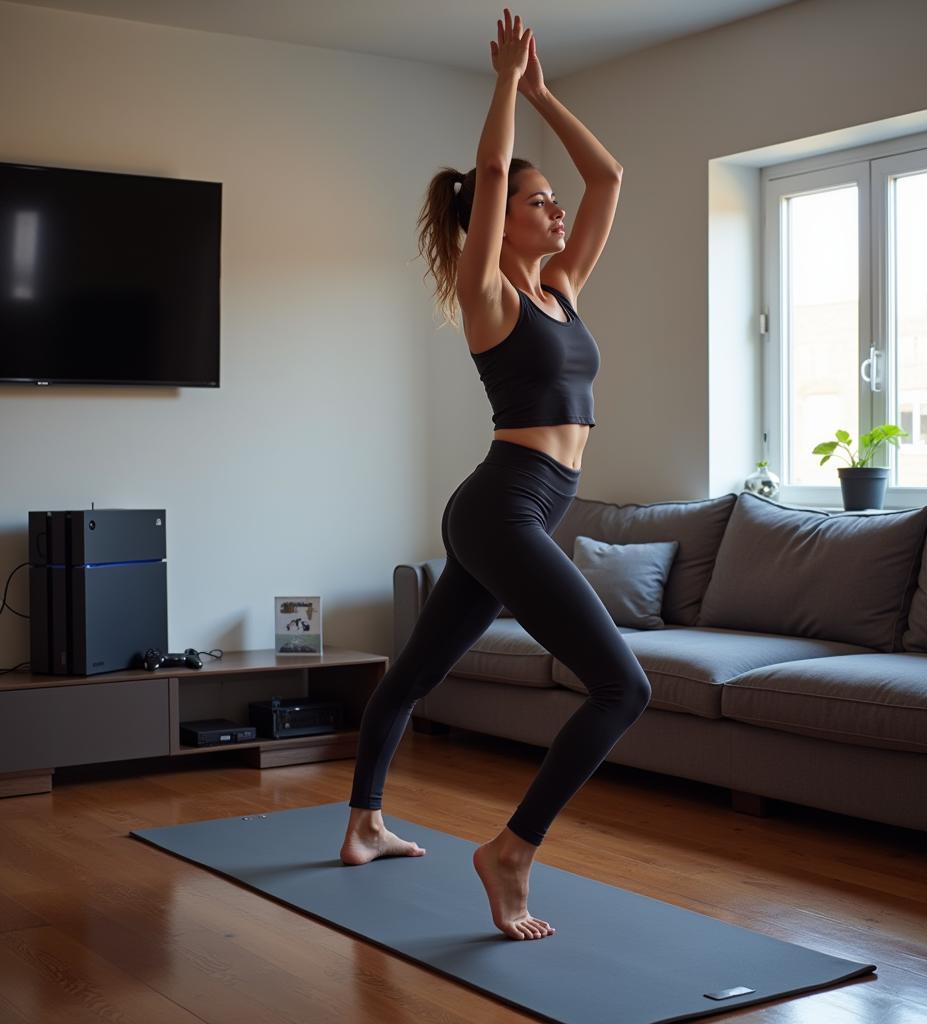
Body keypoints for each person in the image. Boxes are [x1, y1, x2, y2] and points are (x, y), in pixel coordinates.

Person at [340, 8, 650, 942]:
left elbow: (610, 176)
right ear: (491, 220)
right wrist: (506, 87)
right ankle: (511, 851)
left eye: (552, 201)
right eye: (536, 201)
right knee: (622, 688)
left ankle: (363, 823)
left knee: (416, 671)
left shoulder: (564, 285)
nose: (557, 209)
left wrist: (547, 90)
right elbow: (487, 173)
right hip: (504, 506)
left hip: (516, 510)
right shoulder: (490, 296)